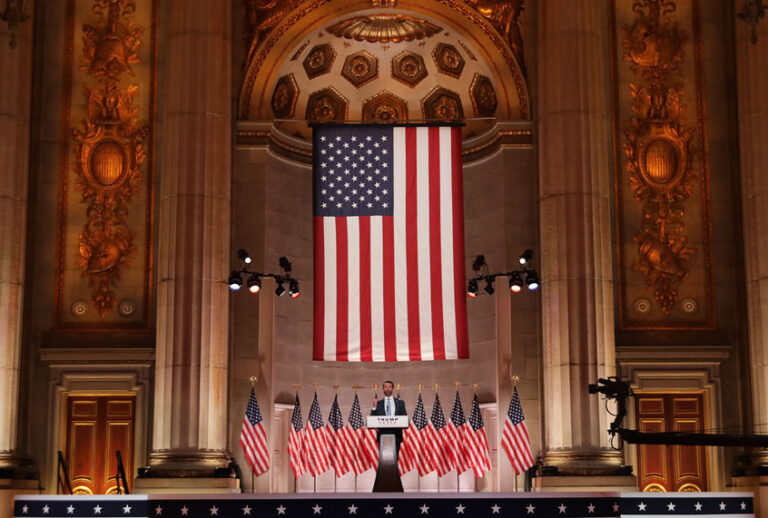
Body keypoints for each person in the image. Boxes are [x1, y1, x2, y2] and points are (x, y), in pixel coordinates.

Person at [370, 380, 407, 450]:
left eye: (390, 387)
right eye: (386, 387)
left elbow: (404, 418)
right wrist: (374, 407)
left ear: (393, 389)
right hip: (382, 434)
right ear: (383, 389)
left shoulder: (400, 403)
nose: (388, 389)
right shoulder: (378, 403)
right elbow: (372, 420)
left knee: (395, 459)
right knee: (383, 459)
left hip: (396, 434)